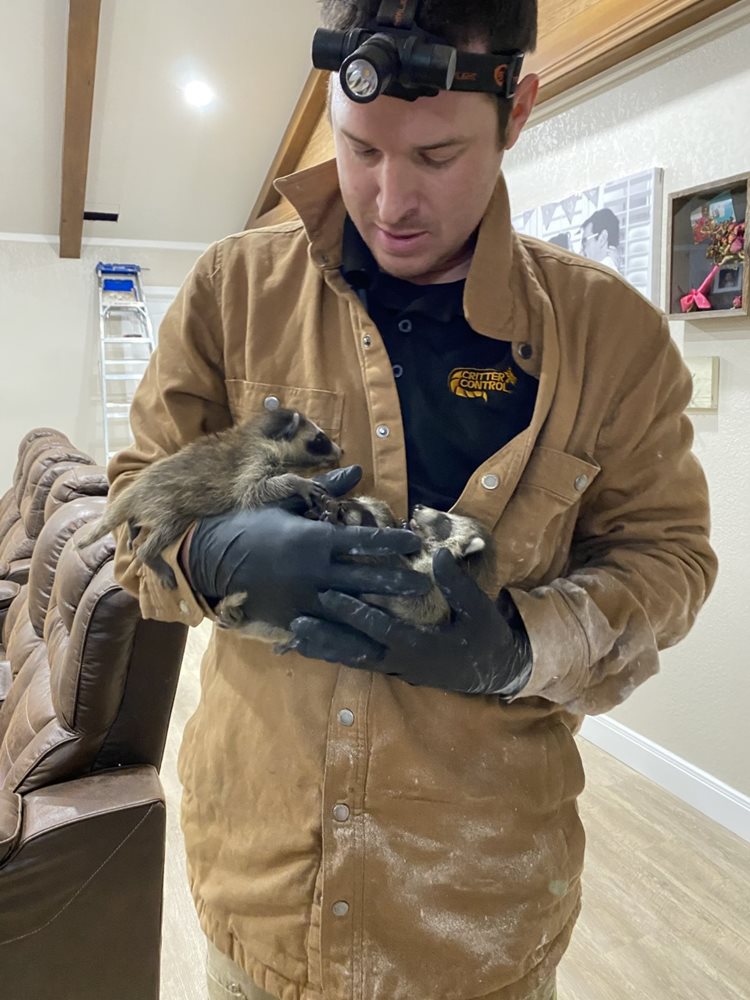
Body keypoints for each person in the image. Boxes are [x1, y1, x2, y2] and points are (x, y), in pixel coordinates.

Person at [109, 1, 717, 998]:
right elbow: (134, 511)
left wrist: (528, 643)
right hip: (264, 897)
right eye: (359, 150)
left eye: (437, 156)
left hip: (481, 920)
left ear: (516, 108)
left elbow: (672, 562)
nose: (391, 199)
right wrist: (214, 557)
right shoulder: (232, 291)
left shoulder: (614, 338)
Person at [580, 207, 622, 272]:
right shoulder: (612, 274)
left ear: (602, 238)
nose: (581, 250)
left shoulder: (599, 276)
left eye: (585, 241)